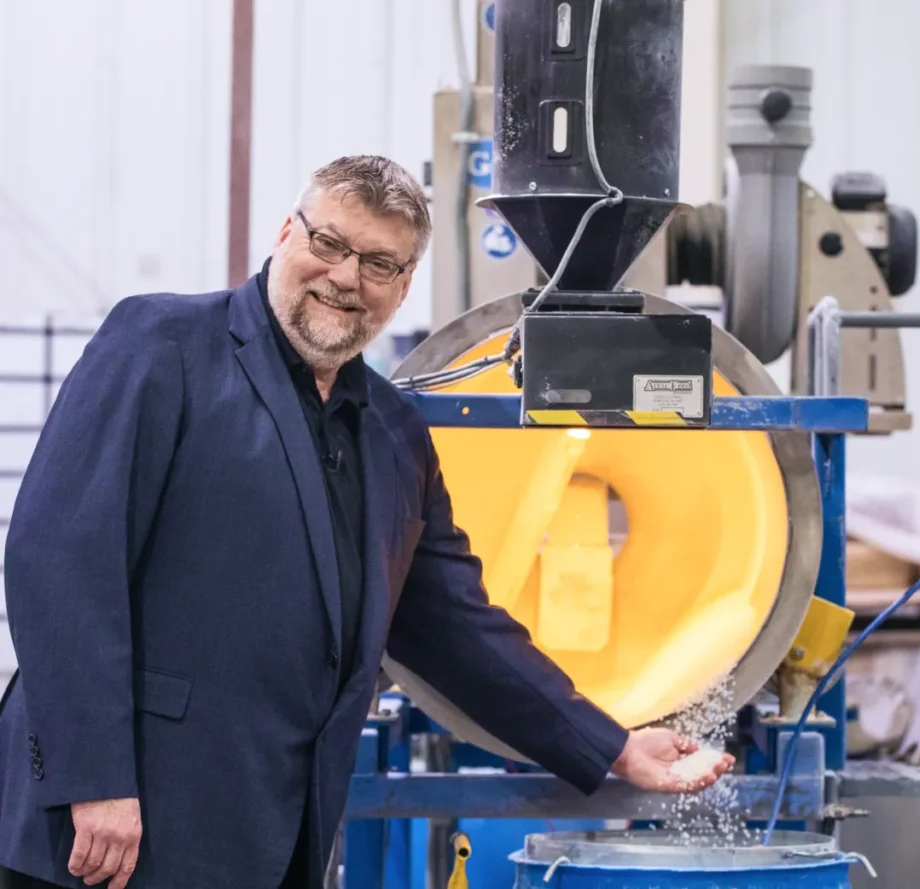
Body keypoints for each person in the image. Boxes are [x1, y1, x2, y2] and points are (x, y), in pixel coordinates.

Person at [0, 155, 733, 889]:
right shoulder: (165, 345)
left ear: (405, 283)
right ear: (287, 231)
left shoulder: (393, 433)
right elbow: (58, 559)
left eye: (379, 263)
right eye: (330, 244)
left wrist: (612, 746)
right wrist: (94, 780)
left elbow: (457, 626)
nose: (346, 277)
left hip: (274, 836)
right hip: (113, 834)